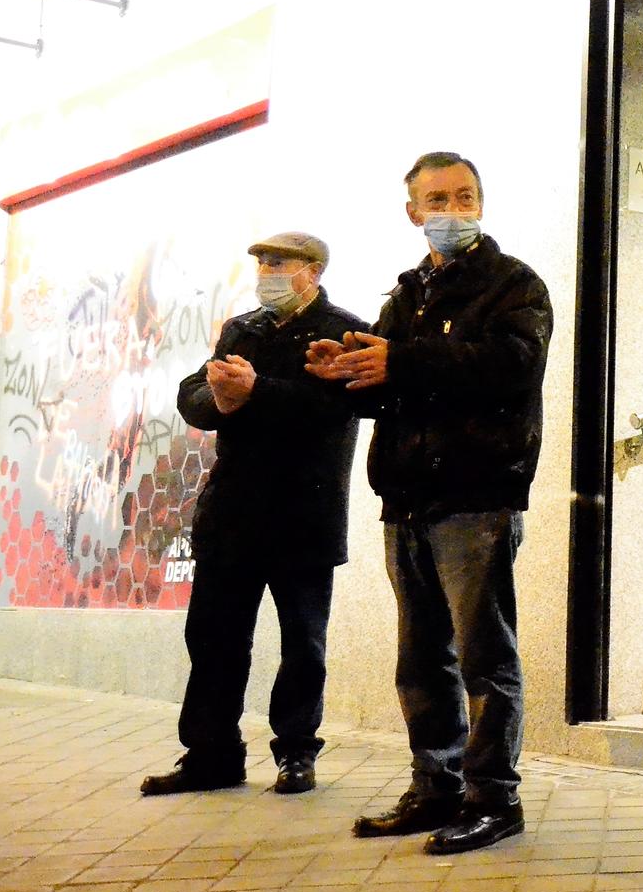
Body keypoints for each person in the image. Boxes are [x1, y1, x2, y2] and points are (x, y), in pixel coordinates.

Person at [307, 152, 552, 855]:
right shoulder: (408, 293)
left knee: (484, 654)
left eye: (464, 195)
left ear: (482, 202)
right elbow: (392, 390)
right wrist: (345, 372)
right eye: (437, 199)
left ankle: (493, 798)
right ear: (413, 211)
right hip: (408, 495)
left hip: (479, 495)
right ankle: (434, 784)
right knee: (421, 657)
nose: (452, 209)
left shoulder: (514, 284)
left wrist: (401, 361)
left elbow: (511, 365)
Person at [144, 232, 362, 798]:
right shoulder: (243, 328)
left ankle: (296, 753)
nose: (266, 271)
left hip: (304, 515)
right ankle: (211, 753)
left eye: (278, 262)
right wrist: (218, 399)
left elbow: (335, 408)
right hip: (232, 516)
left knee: (302, 645)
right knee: (214, 638)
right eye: (262, 262)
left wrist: (256, 390)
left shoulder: (346, 330)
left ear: (312, 271)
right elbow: (194, 391)